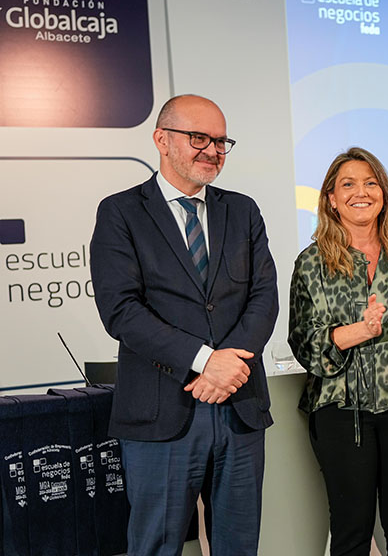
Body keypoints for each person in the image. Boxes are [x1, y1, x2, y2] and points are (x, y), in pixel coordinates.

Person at [89, 94, 278, 555]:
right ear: (162, 140)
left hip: (239, 406)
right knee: (156, 546)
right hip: (161, 412)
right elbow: (121, 310)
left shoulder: (243, 210)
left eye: (220, 141)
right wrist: (205, 361)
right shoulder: (121, 212)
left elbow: (264, 297)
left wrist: (228, 368)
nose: (212, 150)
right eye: (198, 138)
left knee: (239, 546)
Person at [289, 147, 388, 556]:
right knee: (350, 531)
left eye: (371, 183)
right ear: (331, 198)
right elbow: (304, 342)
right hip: (341, 411)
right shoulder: (312, 263)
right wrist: (359, 331)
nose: (361, 192)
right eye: (348, 184)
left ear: (384, 194)